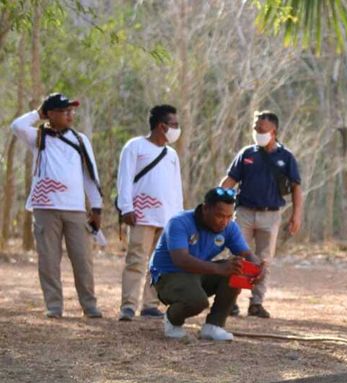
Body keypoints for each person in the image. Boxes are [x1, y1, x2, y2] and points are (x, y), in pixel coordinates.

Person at [10, 93, 103, 319]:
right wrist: (37, 114)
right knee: (49, 259)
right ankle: (54, 305)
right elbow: (16, 126)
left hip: (76, 209)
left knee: (82, 259)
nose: (69, 114)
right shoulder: (38, 137)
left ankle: (89, 305)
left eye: (71, 110)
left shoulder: (81, 140)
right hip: (45, 208)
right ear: (50, 114)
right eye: (63, 111)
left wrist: (97, 208)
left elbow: (90, 175)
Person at [149, 187, 263, 341]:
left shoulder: (230, 227)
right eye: (220, 216)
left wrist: (257, 268)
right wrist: (218, 268)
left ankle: (214, 326)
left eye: (229, 216)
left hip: (197, 273)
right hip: (168, 275)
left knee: (236, 269)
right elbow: (181, 260)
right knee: (198, 301)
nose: (225, 221)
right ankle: (172, 321)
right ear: (205, 208)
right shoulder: (179, 222)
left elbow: (247, 254)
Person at [219, 110, 303, 319]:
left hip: (271, 215)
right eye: (255, 129)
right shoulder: (247, 154)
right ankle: (230, 301)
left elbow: (296, 188)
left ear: (273, 131)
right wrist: (217, 202)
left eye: (261, 129)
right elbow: (230, 180)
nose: (257, 133)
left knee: (264, 260)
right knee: (237, 256)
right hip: (244, 213)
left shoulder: (286, 157)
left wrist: (296, 215)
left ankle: (256, 303)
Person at [116, 105, 183, 321]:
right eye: (174, 124)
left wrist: (179, 218)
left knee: (159, 263)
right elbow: (124, 179)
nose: (177, 129)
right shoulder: (134, 147)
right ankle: (128, 306)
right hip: (141, 215)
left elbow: (176, 188)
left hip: (167, 218)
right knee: (136, 260)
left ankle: (150, 304)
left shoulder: (172, 154)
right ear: (162, 126)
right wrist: (126, 207)